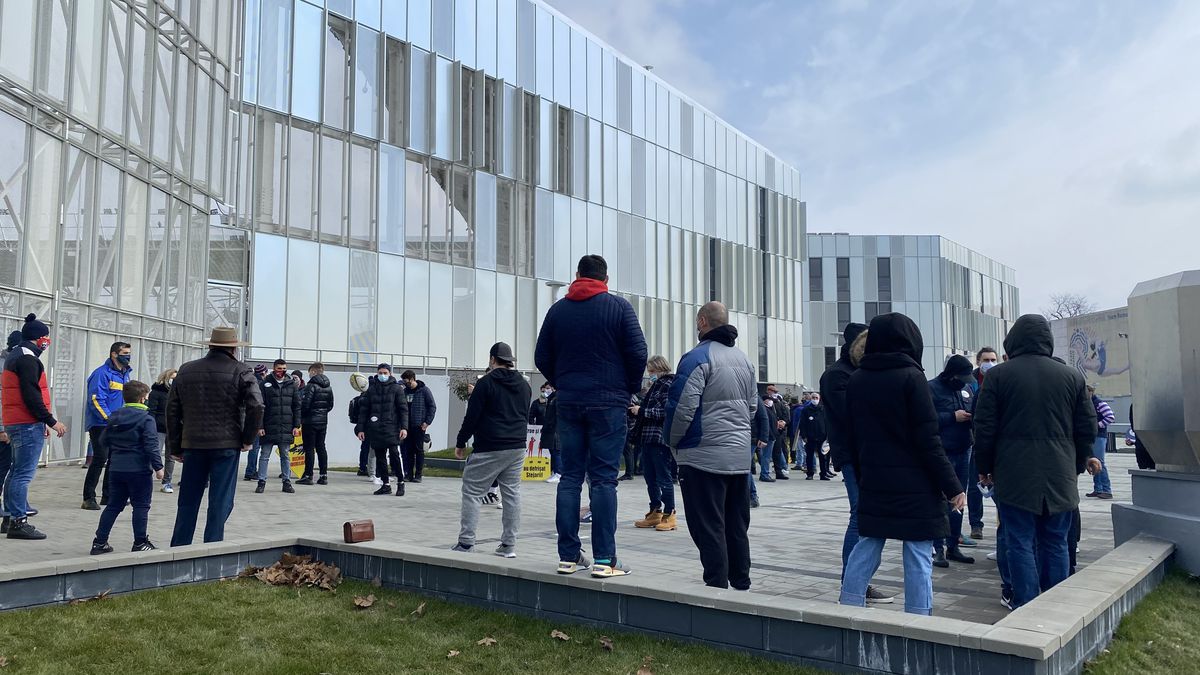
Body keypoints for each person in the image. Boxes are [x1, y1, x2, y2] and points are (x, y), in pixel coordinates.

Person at [838, 313, 965, 616]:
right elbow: (928, 438)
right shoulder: (912, 377)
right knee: (918, 550)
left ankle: (848, 604)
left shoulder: (857, 379)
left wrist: (861, 470)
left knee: (868, 544)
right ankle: (918, 617)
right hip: (916, 482)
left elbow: (853, 434)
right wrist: (952, 485)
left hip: (874, 476)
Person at [973, 315, 1102, 610]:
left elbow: (984, 428)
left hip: (1014, 471)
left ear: (1013, 340)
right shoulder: (1071, 376)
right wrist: (1080, 460)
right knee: (1056, 541)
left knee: (1018, 540)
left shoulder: (998, 376)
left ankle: (1026, 606)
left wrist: (985, 467)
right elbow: (1087, 426)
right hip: (1060, 472)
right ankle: (1055, 607)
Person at [535, 254, 647, 578]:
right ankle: (604, 560)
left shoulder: (558, 310)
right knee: (603, 480)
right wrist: (627, 388)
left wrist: (563, 382)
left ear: (577, 275)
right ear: (606, 279)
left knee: (570, 477)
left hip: (569, 402)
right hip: (609, 404)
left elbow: (541, 355)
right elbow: (638, 352)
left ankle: (568, 557)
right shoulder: (619, 308)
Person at [665, 301, 757, 589]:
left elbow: (682, 409)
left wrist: (672, 442)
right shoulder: (744, 360)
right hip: (738, 458)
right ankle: (741, 582)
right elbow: (753, 407)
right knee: (736, 525)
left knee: (708, 526)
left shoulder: (696, 358)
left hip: (702, 456)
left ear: (702, 322)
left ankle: (716, 585)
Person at [168, 327, 264, 547]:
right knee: (220, 500)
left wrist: (175, 446)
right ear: (233, 348)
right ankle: (212, 547)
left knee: (188, 501)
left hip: (192, 443)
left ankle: (179, 547)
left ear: (210, 345)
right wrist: (247, 439)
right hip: (226, 444)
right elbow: (257, 405)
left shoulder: (186, 370)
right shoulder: (241, 370)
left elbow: (172, 410)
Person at [822, 323, 894, 604]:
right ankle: (852, 582)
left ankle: (859, 579)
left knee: (870, 516)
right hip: (853, 455)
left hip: (872, 454)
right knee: (860, 515)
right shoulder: (837, 376)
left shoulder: (862, 373)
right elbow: (851, 415)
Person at [451, 343, 531, 557]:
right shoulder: (524, 385)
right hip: (516, 447)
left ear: (492, 359)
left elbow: (472, 417)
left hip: (490, 445)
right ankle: (508, 546)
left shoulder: (485, 384)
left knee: (472, 492)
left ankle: (466, 542)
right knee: (512, 494)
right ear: (510, 361)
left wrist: (461, 443)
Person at [3, 316, 64, 540]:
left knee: (15, 471)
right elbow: (31, 395)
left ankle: (10, 518)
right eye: (45, 336)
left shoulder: (15, 355)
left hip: (16, 421)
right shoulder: (28, 359)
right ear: (39, 338)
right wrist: (50, 420)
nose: (47, 340)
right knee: (23, 474)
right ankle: (19, 522)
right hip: (26, 423)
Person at [90, 380, 164, 554]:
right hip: (139, 470)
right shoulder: (146, 419)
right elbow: (151, 444)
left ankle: (99, 542)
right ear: (142, 399)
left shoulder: (115, 416)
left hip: (116, 469)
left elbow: (103, 441)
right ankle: (140, 542)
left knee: (113, 506)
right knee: (140, 506)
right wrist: (159, 468)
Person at [929, 355, 978, 568]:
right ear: (951, 374)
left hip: (964, 449)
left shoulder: (967, 389)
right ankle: (937, 548)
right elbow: (926, 419)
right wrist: (952, 416)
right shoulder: (931, 388)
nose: (963, 381)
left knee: (959, 498)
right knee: (940, 499)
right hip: (942, 452)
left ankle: (953, 545)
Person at [81, 341, 133, 510]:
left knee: (114, 459)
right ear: (114, 354)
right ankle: (88, 497)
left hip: (117, 423)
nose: (128, 356)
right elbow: (96, 399)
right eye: (124, 353)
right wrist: (110, 419)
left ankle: (108, 495)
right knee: (100, 458)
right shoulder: (101, 374)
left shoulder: (125, 374)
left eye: (128, 353)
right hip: (100, 423)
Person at [632, 356, 678, 532]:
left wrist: (642, 411)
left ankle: (670, 512)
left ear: (659, 368)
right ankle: (655, 510)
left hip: (659, 437)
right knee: (650, 477)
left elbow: (666, 411)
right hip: (648, 436)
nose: (649, 374)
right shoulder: (655, 386)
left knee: (663, 477)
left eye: (651, 371)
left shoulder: (667, 384)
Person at [357, 364, 409, 496]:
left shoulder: (397, 389)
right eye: (380, 372)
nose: (382, 375)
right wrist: (360, 429)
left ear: (390, 373)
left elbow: (403, 410)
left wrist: (404, 427)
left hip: (392, 428)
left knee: (395, 456)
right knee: (380, 458)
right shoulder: (372, 390)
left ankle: (400, 483)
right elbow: (364, 411)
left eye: (385, 372)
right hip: (376, 429)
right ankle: (385, 484)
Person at [967, 347, 1000, 541]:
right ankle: (976, 524)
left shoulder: (1000, 378)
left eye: (993, 359)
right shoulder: (969, 381)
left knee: (996, 485)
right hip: (973, 440)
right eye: (986, 359)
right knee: (975, 485)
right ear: (978, 361)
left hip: (993, 442)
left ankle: (1001, 521)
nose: (990, 362)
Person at [255, 360, 301, 494]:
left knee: (285, 455)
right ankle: (261, 482)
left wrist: (296, 425)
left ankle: (286, 482)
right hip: (269, 425)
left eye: (284, 368)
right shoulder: (264, 384)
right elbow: (260, 406)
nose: (282, 370)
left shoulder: (291, 384)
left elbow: (297, 406)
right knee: (264, 455)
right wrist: (260, 426)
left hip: (286, 426)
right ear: (274, 369)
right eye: (279, 368)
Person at [299, 363, 334, 486]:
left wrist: (302, 416)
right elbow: (330, 405)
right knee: (321, 447)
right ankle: (323, 475)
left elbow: (305, 405)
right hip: (323, 421)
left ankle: (308, 475)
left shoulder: (311, 386)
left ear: (313, 372)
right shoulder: (328, 387)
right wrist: (322, 413)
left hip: (310, 421)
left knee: (309, 448)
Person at [401, 370, 437, 483]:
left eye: (407, 382)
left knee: (419, 450)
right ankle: (408, 474)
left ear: (412, 379)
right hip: (407, 426)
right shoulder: (405, 392)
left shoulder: (424, 391)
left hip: (419, 425)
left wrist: (427, 422)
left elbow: (432, 406)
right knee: (408, 451)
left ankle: (418, 475)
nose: (406, 384)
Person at [146, 369, 177, 494]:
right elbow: (151, 411)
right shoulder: (156, 392)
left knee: (171, 456)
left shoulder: (178, 393)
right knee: (155, 453)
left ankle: (166, 481)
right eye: (172, 378)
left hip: (173, 428)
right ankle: (146, 479)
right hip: (158, 427)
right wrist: (151, 427)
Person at [1085, 385, 1115, 500]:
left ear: (1091, 392)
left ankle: (1107, 490)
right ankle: (1098, 489)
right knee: (1093, 463)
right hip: (1093, 436)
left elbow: (1110, 417)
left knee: (1100, 462)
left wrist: (1097, 426)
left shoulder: (1099, 404)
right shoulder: (1089, 404)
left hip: (1099, 436)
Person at [530, 383, 561, 483]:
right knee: (553, 451)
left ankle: (558, 473)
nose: (547, 391)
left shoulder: (556, 399)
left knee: (556, 451)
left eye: (549, 388)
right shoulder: (549, 399)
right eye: (545, 389)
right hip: (550, 429)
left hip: (555, 429)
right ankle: (555, 471)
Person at [798, 393, 832, 480]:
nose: (815, 399)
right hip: (810, 436)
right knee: (809, 456)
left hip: (822, 436)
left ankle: (823, 474)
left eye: (816, 398)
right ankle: (810, 473)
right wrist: (804, 435)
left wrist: (828, 435)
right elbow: (802, 424)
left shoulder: (823, 409)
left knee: (823, 456)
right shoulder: (806, 410)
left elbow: (828, 423)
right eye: (813, 398)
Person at [244, 363, 268, 481]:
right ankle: (251, 471)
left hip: (250, 418)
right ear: (263, 373)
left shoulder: (252, 382)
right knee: (255, 447)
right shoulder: (260, 385)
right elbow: (259, 405)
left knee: (254, 447)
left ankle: (250, 470)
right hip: (256, 420)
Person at [748, 402, 769, 509]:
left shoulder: (754, 397)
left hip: (751, 437)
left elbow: (764, 417)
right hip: (741, 436)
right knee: (744, 467)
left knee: (744, 467)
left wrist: (764, 437)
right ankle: (751, 496)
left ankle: (752, 496)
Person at [1128, 404, 1155, 470]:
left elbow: (1133, 424)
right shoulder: (1135, 404)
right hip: (1150, 441)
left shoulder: (1135, 404)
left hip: (1142, 440)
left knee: (1143, 466)